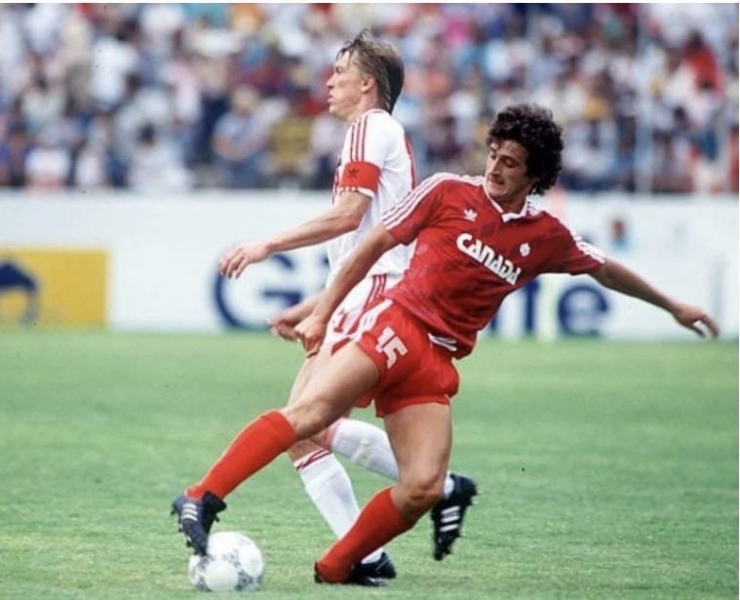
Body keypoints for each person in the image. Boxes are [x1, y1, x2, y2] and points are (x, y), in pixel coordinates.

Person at [170, 103, 719, 586]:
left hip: (436, 361)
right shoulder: (447, 191)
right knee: (311, 415)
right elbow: (370, 248)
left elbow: (604, 268)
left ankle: (337, 567)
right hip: (395, 325)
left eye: (510, 163)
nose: (495, 168)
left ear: (535, 175)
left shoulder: (546, 236)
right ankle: (201, 496)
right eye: (494, 155)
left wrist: (673, 305)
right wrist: (322, 313)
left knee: (424, 487)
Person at [171, 30, 477, 578]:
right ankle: (375, 548)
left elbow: (348, 216)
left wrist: (267, 245)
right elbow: (364, 246)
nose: (329, 81)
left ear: (368, 83)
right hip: (369, 295)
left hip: (377, 298)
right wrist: (320, 306)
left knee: (303, 420)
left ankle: (205, 496)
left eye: (339, 71)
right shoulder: (378, 133)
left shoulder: (369, 126)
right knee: (305, 430)